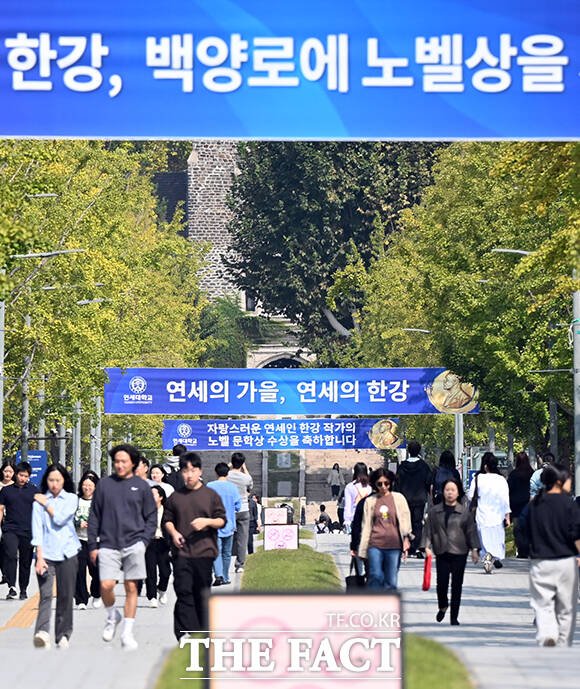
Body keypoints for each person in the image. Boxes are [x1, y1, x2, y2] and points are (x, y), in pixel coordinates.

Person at [87, 444, 157, 650]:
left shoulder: (142, 486)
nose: (119, 465)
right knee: (106, 585)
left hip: (134, 544)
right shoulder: (104, 485)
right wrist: (93, 544)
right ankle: (112, 616)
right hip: (108, 544)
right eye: (116, 461)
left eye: (123, 461)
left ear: (132, 463)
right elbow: (94, 516)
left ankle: (127, 632)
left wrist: (144, 541)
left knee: (131, 587)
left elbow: (151, 517)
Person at [162, 452, 226, 641]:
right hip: (181, 552)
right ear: (181, 472)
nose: (189, 474)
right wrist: (174, 533)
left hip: (204, 551)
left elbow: (222, 520)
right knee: (183, 590)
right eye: (185, 470)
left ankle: (203, 629)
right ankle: (183, 631)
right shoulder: (175, 497)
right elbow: (167, 520)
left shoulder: (210, 495)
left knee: (201, 591)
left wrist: (206, 522)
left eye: (193, 470)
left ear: (200, 471)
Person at [524, 463, 580, 647]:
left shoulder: (535, 504)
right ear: (559, 481)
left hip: (540, 561)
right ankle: (563, 643)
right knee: (566, 607)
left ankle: (547, 634)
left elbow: (522, 529)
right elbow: (576, 533)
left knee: (543, 604)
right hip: (566, 562)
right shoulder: (568, 504)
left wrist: (529, 547)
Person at [31, 464, 80, 649]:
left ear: (64, 481)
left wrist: (46, 503)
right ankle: (42, 632)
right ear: (46, 481)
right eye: (51, 480)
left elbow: (60, 518)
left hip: (68, 552)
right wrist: (39, 557)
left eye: (58, 480)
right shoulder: (37, 504)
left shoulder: (71, 499)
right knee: (45, 595)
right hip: (47, 554)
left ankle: (63, 634)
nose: (54, 484)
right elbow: (37, 531)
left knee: (65, 595)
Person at [422, 478, 480, 625]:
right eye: (447, 490)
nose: (449, 493)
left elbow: (471, 532)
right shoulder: (435, 512)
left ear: (458, 492)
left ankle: (454, 616)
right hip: (442, 551)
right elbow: (428, 530)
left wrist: (474, 549)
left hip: (459, 552)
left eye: (452, 490)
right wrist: (426, 547)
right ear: (443, 492)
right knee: (441, 583)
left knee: (456, 585)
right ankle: (443, 605)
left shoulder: (464, 512)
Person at [352, 468, 411, 591]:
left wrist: (406, 540)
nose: (383, 487)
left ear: (391, 483)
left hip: (394, 545)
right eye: (379, 484)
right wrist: (358, 547)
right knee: (375, 576)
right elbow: (364, 525)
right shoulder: (369, 501)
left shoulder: (399, 499)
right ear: (374, 484)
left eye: (386, 483)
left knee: (391, 580)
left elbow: (405, 521)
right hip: (375, 544)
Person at [468, 452, 510, 573]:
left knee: (484, 539)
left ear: (485, 466)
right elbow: (505, 499)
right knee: (497, 540)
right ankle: (492, 557)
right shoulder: (501, 480)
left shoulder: (478, 478)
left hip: (482, 514)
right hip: (498, 515)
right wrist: (507, 516)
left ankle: (487, 557)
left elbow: (470, 496)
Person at [0, 461, 37, 600]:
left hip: (28, 530)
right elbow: (0, 509)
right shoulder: (6, 491)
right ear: (16, 475)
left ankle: (23, 588)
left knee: (25, 561)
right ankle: (11, 586)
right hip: (10, 529)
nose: (23, 478)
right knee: (10, 554)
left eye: (26, 476)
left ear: (29, 477)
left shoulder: (34, 490)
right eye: (21, 475)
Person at [206, 462, 242, 586]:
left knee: (216, 551)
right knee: (227, 553)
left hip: (214, 524)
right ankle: (226, 576)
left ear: (216, 472)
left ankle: (218, 575)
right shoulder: (233, 487)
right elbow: (238, 506)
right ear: (228, 473)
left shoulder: (209, 486)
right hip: (229, 524)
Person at [395, 440, 432, 557]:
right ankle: (415, 547)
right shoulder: (424, 466)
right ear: (419, 451)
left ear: (408, 451)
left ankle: (406, 546)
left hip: (405, 499)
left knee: (405, 522)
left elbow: (397, 484)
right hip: (419, 499)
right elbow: (428, 482)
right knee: (417, 523)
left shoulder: (402, 467)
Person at [74, 470, 101, 610]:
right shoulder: (75, 501)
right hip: (78, 540)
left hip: (95, 540)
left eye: (90, 485)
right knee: (79, 571)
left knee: (96, 570)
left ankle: (96, 593)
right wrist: (78, 523)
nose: (87, 488)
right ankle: (81, 600)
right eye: (85, 485)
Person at [144, 485, 171, 607]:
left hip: (164, 543)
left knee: (165, 572)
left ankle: (162, 589)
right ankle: (152, 596)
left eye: (153, 494)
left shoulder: (168, 511)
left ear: (161, 497)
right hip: (149, 543)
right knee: (150, 571)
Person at [227, 452, 253, 574]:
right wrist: (245, 469)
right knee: (243, 538)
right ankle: (240, 564)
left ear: (232, 462)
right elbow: (250, 487)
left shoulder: (226, 476)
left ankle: (224, 563)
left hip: (229, 509)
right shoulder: (246, 477)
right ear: (242, 463)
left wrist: (228, 467)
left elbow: (221, 475)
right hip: (243, 509)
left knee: (226, 537)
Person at [507, 451, 534, 558]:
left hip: (516, 505)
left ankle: (522, 550)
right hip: (529, 504)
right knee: (529, 528)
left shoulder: (514, 474)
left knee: (518, 529)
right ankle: (529, 549)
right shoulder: (532, 473)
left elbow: (508, 489)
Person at [343, 462, 372, 534]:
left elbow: (348, 505)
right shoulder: (371, 486)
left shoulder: (350, 487)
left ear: (354, 472)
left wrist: (347, 520)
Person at [0, 461, 15, 585]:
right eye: (6, 471)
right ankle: (4, 573)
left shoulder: (16, 487)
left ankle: (7, 573)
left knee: (8, 550)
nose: (8, 474)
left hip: (10, 522)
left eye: (10, 471)